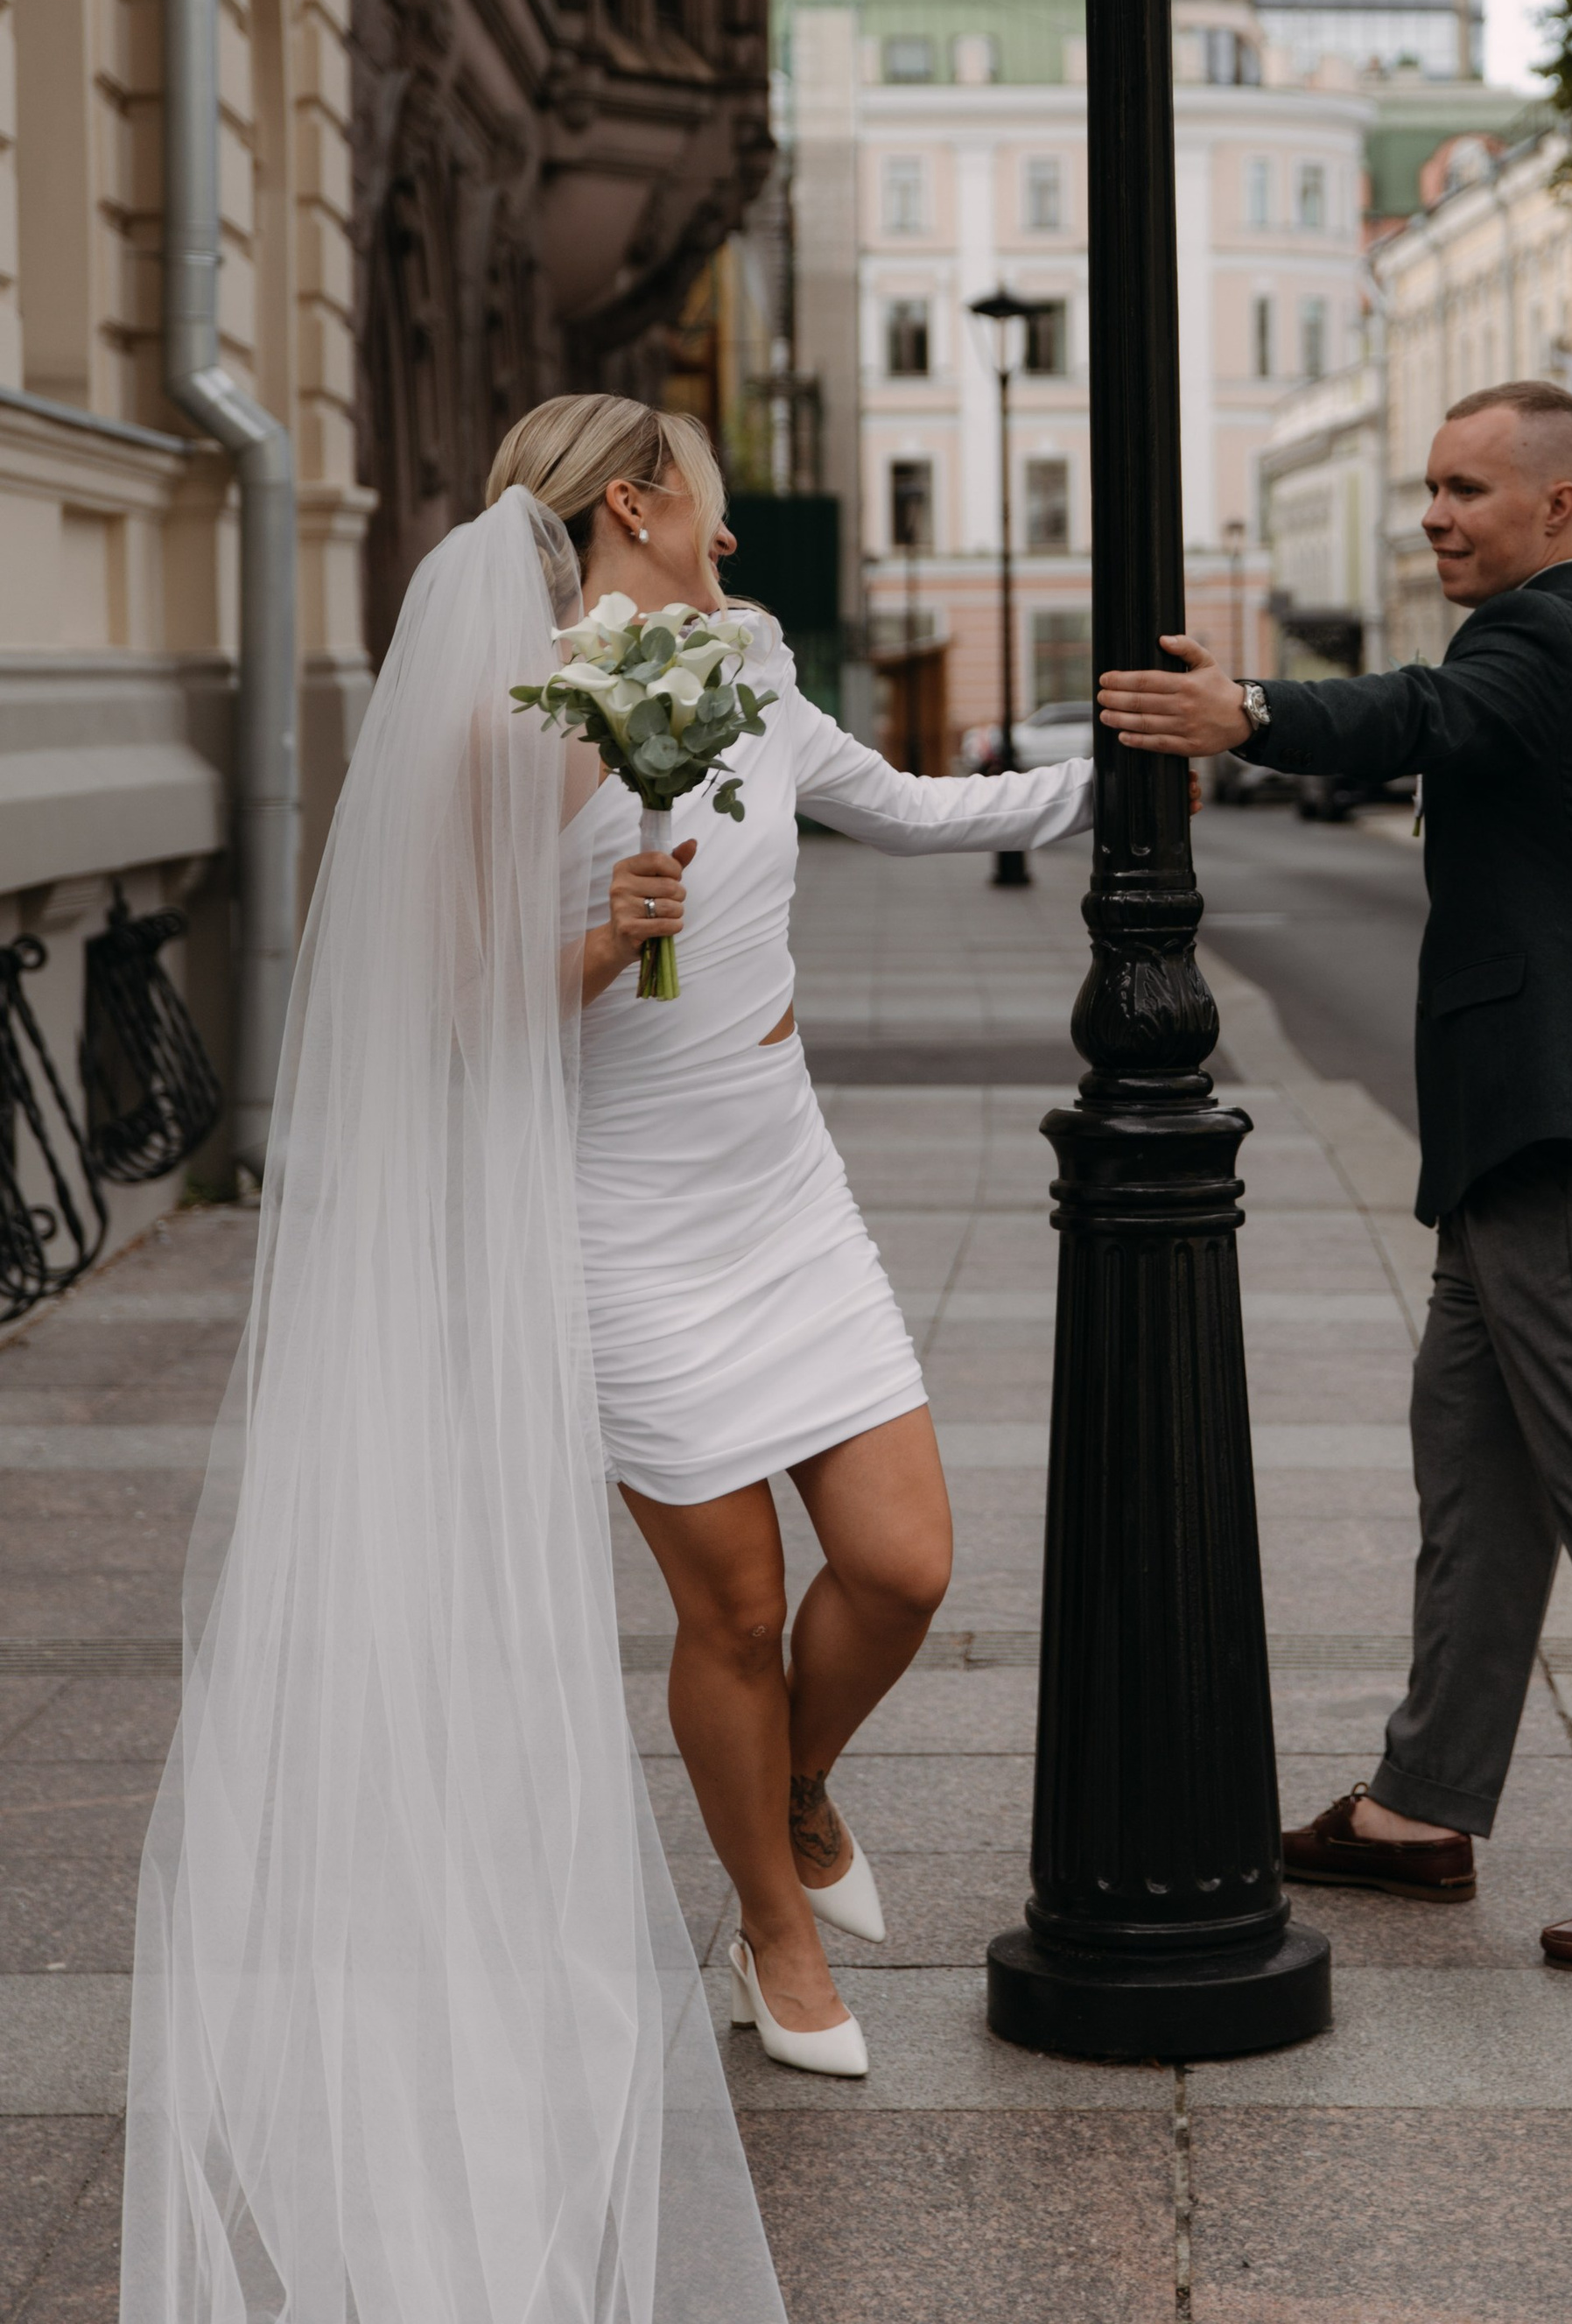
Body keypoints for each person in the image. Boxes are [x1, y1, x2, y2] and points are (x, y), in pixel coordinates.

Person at [123, 400, 1089, 2322]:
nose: (731, 529)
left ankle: (799, 1797)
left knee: (901, 1562)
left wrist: (1108, 785)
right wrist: (600, 942)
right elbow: (440, 1009)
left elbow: (905, 805)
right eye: (707, 494)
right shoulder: (519, 727)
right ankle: (766, 1925)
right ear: (638, 504)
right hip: (621, 1224)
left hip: (784, 1190)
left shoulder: (740, 675)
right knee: (728, 1612)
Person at [1097, 380, 1572, 1976]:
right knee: (1476, 1479)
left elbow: (1416, 712)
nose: (1436, 514)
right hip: (1530, 1130)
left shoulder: (1544, 639)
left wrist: (1254, 714)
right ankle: (1424, 1808)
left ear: (1562, 506)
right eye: (1429, 487)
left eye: (1469, 489)